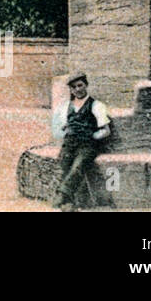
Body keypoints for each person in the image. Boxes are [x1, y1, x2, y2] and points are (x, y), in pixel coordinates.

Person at [52, 71, 111, 210]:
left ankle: (61, 197)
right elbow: (61, 128)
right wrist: (67, 129)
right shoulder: (67, 106)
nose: (77, 90)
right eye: (74, 87)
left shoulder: (96, 105)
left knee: (77, 167)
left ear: (86, 85)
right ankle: (69, 205)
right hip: (69, 144)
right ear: (71, 90)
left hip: (87, 145)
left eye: (80, 85)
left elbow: (106, 130)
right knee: (64, 168)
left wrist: (92, 136)